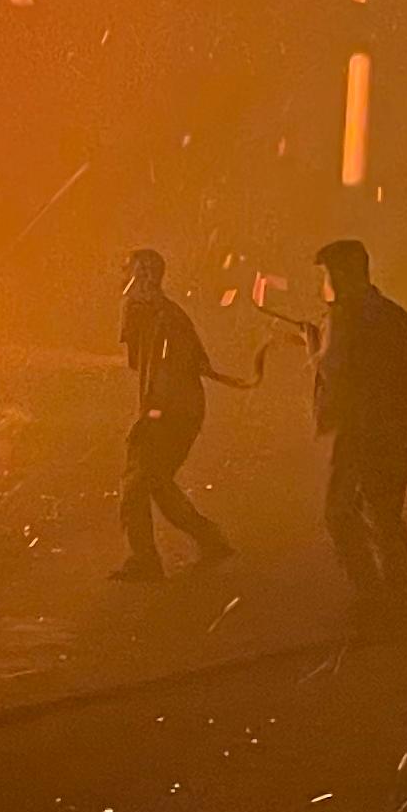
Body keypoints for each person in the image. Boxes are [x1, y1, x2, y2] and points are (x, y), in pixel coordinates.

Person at [311, 236, 407, 633]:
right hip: (386, 431)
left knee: (351, 515)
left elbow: (334, 369)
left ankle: (383, 603)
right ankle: (392, 604)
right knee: (379, 517)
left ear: (345, 274)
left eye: (330, 273)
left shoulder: (349, 315)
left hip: (367, 432)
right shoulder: (385, 312)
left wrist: (322, 351)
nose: (326, 282)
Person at [113, 248, 245, 580]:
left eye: (127, 271)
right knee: (156, 481)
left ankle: (145, 561)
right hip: (179, 411)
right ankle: (210, 539)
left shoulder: (162, 318)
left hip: (171, 412)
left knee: (135, 482)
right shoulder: (160, 314)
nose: (122, 278)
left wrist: (153, 415)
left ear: (141, 276)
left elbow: (168, 373)